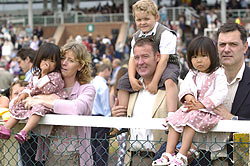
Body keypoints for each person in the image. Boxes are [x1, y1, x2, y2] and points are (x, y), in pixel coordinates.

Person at [152, 36, 228, 166]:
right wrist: (189, 97)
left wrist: (203, 104)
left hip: (208, 111)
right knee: (175, 119)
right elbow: (185, 88)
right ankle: (168, 153)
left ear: (212, 56)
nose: (199, 60)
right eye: (194, 57)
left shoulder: (218, 73)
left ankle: (182, 155)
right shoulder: (192, 73)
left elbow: (221, 93)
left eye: (203, 56)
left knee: (190, 119)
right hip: (192, 108)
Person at [23, 41, 95, 166]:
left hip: (76, 154)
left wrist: (41, 100)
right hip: (49, 153)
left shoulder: (87, 89)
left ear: (80, 66)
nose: (64, 63)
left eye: (71, 60)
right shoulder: (46, 86)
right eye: (62, 58)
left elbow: (76, 108)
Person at [117, 0, 179, 118]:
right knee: (122, 82)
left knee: (169, 80)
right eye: (139, 20)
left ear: (156, 17)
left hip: (168, 63)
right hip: (147, 63)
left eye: (146, 19)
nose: (142, 23)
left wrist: (155, 82)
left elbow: (164, 60)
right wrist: (131, 79)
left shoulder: (165, 33)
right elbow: (132, 59)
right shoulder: (136, 36)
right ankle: (122, 118)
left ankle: (172, 115)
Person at [112, 38, 169, 165]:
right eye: (136, 58)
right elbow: (120, 127)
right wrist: (115, 117)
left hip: (162, 160)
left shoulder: (174, 87)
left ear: (157, 56)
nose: (140, 62)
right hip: (133, 159)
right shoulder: (130, 90)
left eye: (145, 56)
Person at [201, 22, 250, 165]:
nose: (226, 49)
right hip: (204, 159)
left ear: (245, 47)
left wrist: (232, 120)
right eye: (222, 45)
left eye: (233, 44)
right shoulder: (201, 79)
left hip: (241, 160)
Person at [0, 42, 68, 144]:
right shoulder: (36, 74)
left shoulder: (56, 76)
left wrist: (44, 74)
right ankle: (6, 128)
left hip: (48, 102)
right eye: (44, 59)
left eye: (52, 61)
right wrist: (25, 94)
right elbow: (30, 86)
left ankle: (24, 131)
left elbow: (48, 90)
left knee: (38, 108)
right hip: (34, 100)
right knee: (18, 103)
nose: (47, 63)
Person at [91, 63, 112, 166]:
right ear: (106, 70)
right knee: (101, 149)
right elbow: (105, 106)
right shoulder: (103, 86)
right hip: (101, 119)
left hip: (90, 118)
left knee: (91, 148)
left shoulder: (91, 83)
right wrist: (108, 121)